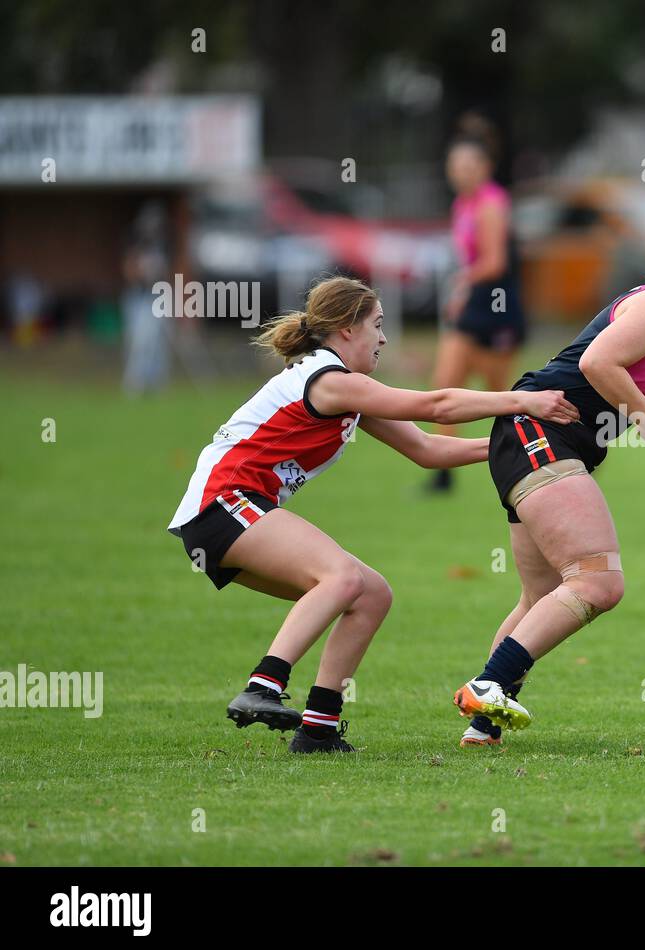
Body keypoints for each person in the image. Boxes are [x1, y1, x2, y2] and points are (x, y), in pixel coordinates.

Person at [166, 276, 576, 753]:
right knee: (339, 578)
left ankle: (317, 729)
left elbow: (427, 449)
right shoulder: (330, 380)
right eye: (376, 326)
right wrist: (522, 400)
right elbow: (435, 404)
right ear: (344, 329)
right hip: (222, 504)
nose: (383, 338)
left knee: (372, 594)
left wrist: (524, 448)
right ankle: (263, 687)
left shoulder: (347, 389)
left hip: (228, 517)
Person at [451, 200, 645, 746]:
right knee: (598, 581)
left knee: (538, 597)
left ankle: (484, 722)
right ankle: (488, 685)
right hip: (537, 427)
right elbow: (597, 364)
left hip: (559, 443)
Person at [428, 122, 527, 493]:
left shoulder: (491, 203)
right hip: (473, 304)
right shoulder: (462, 204)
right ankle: (443, 474)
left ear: (484, 167)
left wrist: (461, 284)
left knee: (502, 395)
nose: (459, 173)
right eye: (454, 166)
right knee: (446, 382)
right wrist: (462, 291)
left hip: (498, 305)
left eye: (468, 166)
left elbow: (495, 262)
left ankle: (553, 452)